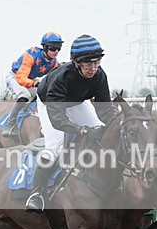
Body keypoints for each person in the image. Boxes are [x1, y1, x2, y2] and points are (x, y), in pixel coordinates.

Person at [25, 34, 117, 212]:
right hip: (50, 103)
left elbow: (105, 109)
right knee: (55, 147)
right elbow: (58, 118)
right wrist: (80, 130)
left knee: (101, 130)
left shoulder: (100, 75)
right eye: (88, 64)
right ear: (76, 63)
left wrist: (117, 124)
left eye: (97, 63)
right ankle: (36, 194)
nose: (93, 68)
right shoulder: (62, 77)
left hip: (78, 101)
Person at [2, 31, 63, 137]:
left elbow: (58, 76)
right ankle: (9, 125)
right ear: (45, 47)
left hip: (30, 79)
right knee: (24, 95)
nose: (56, 51)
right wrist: (35, 84)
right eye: (53, 48)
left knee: (46, 93)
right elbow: (20, 78)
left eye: (59, 48)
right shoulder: (32, 54)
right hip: (14, 77)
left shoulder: (53, 62)